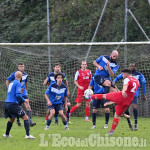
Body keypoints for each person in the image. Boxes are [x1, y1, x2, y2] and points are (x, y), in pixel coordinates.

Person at [89, 69, 139, 135]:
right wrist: (110, 102)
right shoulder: (137, 81)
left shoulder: (127, 79)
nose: (122, 76)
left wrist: (123, 91)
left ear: (126, 74)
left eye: (123, 74)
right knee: (116, 115)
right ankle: (111, 132)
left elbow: (125, 86)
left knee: (104, 96)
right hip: (128, 101)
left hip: (121, 96)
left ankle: (89, 97)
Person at [113, 62, 147, 130]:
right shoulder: (127, 74)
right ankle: (129, 123)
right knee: (126, 109)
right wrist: (114, 81)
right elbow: (118, 77)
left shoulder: (139, 74)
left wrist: (144, 94)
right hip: (127, 94)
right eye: (130, 66)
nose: (131, 68)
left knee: (134, 107)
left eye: (133, 66)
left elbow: (144, 83)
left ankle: (136, 124)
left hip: (134, 94)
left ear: (135, 67)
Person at [3, 71, 35, 139]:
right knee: (25, 117)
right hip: (13, 104)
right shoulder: (18, 83)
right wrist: (24, 100)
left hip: (7, 104)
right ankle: (28, 135)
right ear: (21, 77)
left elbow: (13, 93)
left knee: (12, 119)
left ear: (15, 76)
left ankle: (6, 134)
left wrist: (20, 91)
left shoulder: (11, 83)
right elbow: (17, 95)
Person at [6, 62, 36, 127]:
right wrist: (9, 90)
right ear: (18, 67)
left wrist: (26, 91)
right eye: (20, 66)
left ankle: (30, 121)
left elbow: (26, 83)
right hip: (17, 93)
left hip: (24, 92)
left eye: (22, 66)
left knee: (27, 105)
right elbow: (7, 80)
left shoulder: (26, 74)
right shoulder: (14, 74)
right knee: (17, 107)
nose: (21, 67)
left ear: (24, 67)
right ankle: (18, 121)